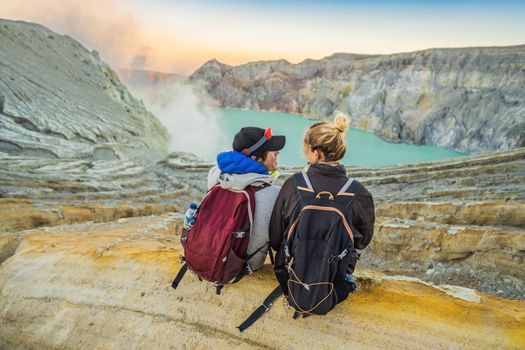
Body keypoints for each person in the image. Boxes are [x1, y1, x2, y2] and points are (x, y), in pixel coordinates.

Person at [269, 112, 375, 304]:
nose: (303, 152)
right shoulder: (358, 192)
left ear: (316, 153)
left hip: (291, 278)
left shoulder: (293, 185)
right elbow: (362, 241)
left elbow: (276, 239)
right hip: (334, 282)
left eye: (306, 148)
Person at [207, 126, 286, 271]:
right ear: (255, 158)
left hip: (211, 255)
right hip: (244, 266)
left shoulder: (216, 176)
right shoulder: (273, 194)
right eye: (272, 149)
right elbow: (277, 243)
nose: (277, 152)